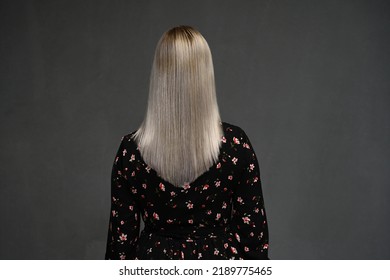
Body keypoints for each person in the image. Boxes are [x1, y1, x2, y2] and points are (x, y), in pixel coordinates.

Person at [104, 25, 269, 260]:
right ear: (206, 74)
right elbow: (254, 238)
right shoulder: (235, 144)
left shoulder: (131, 151)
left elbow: (120, 245)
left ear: (159, 75)